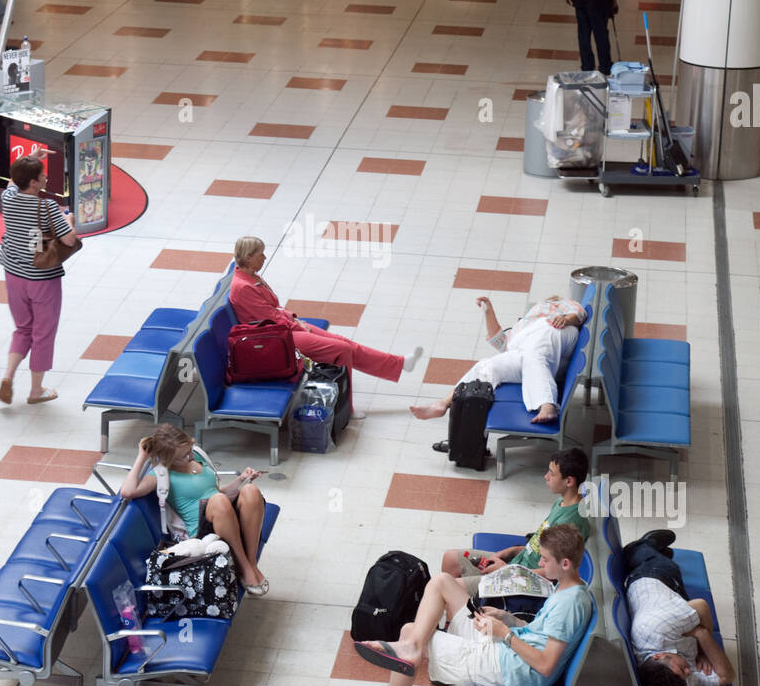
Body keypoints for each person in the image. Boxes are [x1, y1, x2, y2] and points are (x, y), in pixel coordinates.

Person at [344, 525, 593, 686]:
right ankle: (413, 648)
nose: (539, 563)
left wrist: (503, 634)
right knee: (441, 582)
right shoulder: (570, 587)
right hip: (508, 647)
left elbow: (545, 665)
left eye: (545, 559)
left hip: (510, 668)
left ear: (566, 563)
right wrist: (509, 620)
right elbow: (542, 634)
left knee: (410, 631)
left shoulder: (568, 606)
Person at [229, 236, 423, 416]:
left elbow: (273, 310)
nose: (264, 257)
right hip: (275, 339)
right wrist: (296, 324)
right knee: (342, 350)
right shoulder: (243, 287)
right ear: (248, 257)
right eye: (260, 254)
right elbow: (270, 317)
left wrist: (294, 320)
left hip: (283, 329)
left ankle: (399, 364)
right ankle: (345, 408)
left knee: (344, 343)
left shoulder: (252, 276)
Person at [119, 423, 270, 594]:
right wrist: (142, 456)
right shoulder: (161, 474)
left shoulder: (198, 454)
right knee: (218, 500)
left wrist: (242, 479)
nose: (191, 456)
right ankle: (245, 568)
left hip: (223, 511)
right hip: (204, 531)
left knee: (250, 491)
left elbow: (217, 491)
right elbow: (127, 491)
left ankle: (250, 563)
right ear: (167, 458)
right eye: (184, 456)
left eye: (190, 449)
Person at [411, 292, 586, 428]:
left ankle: (547, 404)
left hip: (559, 334)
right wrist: (489, 311)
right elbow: (501, 343)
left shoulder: (557, 305)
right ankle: (443, 403)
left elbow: (579, 313)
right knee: (486, 366)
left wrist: (564, 319)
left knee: (539, 338)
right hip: (528, 351)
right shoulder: (522, 326)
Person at [442, 446, 590, 601]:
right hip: (517, 564)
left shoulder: (572, 522)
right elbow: (537, 545)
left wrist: (507, 570)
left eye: (552, 474)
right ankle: (452, 617)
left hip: (524, 581)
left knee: (447, 586)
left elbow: (554, 573)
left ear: (569, 481)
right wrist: (511, 551)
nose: (546, 477)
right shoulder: (562, 501)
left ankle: (459, 618)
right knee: (450, 558)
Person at [623, 529, 735, 686]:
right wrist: (701, 635)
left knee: (635, 553)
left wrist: (703, 652)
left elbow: (701, 606)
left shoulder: (658, 629)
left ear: (659, 656)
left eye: (682, 669)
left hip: (653, 576)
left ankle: (647, 546)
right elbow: (726, 677)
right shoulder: (676, 676)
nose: (689, 671)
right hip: (672, 601)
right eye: (686, 674)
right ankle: (659, 553)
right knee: (662, 562)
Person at [0, 155, 77, 405]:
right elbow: (69, 240)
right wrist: (69, 221)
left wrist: (28, 162)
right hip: (42, 277)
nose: (46, 178)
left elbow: (12, 181)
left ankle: (8, 376)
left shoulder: (7, 199)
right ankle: (35, 390)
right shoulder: (47, 207)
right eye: (42, 175)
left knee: (23, 328)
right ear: (33, 183)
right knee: (43, 333)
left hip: (12, 273)